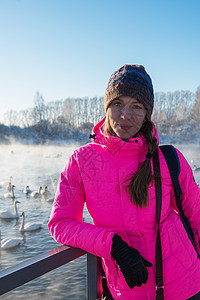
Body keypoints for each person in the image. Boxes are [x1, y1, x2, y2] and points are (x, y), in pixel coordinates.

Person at [48, 64, 200, 299]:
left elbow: (197, 216)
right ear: (107, 107)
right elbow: (61, 223)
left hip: (186, 284)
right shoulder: (81, 161)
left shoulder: (168, 159)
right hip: (127, 290)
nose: (125, 115)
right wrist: (113, 246)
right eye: (118, 103)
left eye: (136, 106)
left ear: (147, 113)